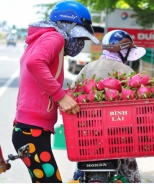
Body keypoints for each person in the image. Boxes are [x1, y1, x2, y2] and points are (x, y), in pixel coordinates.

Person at [12, 1, 99, 183]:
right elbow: (34, 64)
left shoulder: (42, 38)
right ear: (66, 25)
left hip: (30, 128)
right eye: (79, 37)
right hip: (31, 130)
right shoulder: (55, 38)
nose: (79, 43)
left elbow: (36, 82)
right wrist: (60, 96)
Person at [71, 30, 146, 183]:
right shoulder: (127, 71)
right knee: (131, 170)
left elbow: (72, 93)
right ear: (123, 51)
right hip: (118, 137)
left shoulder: (89, 68)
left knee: (79, 170)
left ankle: (77, 176)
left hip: (88, 135)